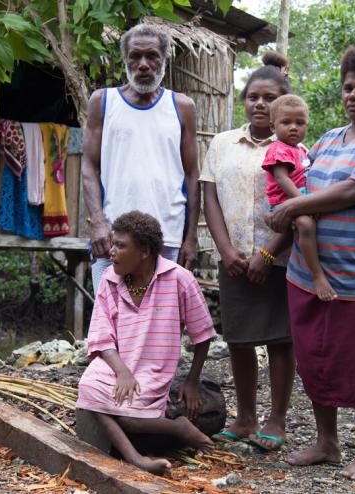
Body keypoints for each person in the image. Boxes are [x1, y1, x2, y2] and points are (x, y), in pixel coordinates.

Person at [266, 42, 355, 481]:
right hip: (307, 275)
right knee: (316, 356)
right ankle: (326, 442)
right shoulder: (328, 139)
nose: (352, 95)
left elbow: (353, 191)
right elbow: (296, 185)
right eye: (348, 87)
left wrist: (294, 208)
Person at [200, 51, 296, 452]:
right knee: (239, 339)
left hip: (280, 258)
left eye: (269, 97)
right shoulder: (222, 144)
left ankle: (276, 420)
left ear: (282, 103)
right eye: (253, 96)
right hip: (234, 260)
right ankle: (245, 418)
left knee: (279, 339)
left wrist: (269, 254)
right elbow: (210, 197)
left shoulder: (293, 146)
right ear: (244, 101)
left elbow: (301, 204)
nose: (260, 103)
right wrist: (226, 251)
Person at [76, 211, 216, 475]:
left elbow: (203, 333)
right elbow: (101, 335)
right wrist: (122, 372)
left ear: (144, 251)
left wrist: (192, 380)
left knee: (131, 419)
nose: (112, 252)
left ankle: (179, 427)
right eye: (113, 244)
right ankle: (136, 459)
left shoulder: (179, 279)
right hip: (117, 364)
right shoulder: (109, 280)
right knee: (87, 388)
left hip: (153, 367)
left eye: (120, 246)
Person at [81, 23, 200, 295]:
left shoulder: (182, 107)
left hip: (167, 235)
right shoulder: (103, 102)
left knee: (159, 323)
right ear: (125, 60)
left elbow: (193, 175)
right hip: (112, 236)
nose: (143, 64)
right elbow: (89, 166)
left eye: (152, 56)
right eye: (135, 56)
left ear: (163, 60)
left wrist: (190, 237)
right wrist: (98, 223)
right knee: (110, 322)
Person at [261, 94, 336, 301]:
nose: (293, 127)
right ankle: (317, 275)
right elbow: (281, 178)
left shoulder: (301, 150)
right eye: (286, 122)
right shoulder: (277, 149)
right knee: (305, 225)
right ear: (272, 126)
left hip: (299, 199)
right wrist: (305, 204)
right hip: (284, 202)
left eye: (299, 123)